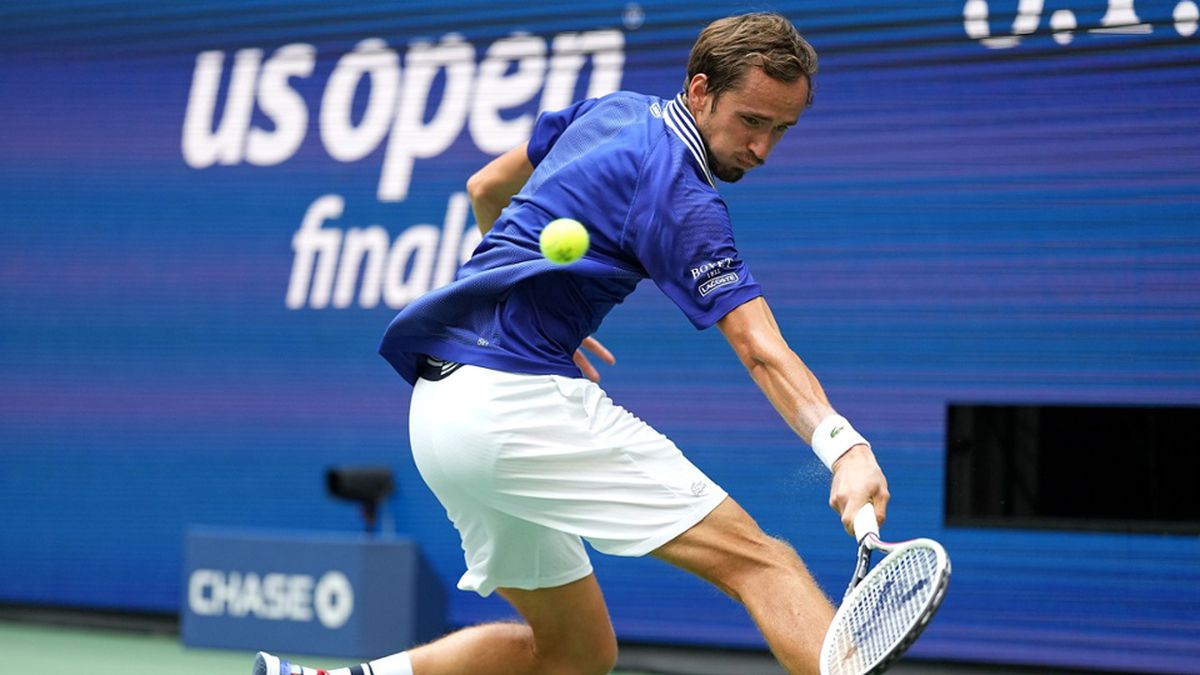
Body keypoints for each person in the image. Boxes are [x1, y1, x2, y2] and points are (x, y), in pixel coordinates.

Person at [254, 11, 888, 675]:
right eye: (750, 121)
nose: (760, 149)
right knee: (765, 563)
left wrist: (535, 301)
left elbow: (486, 187)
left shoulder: (612, 110)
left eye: (779, 131)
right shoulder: (682, 197)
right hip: (514, 404)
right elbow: (759, 348)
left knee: (574, 650)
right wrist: (845, 448)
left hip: (440, 411)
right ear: (700, 89)